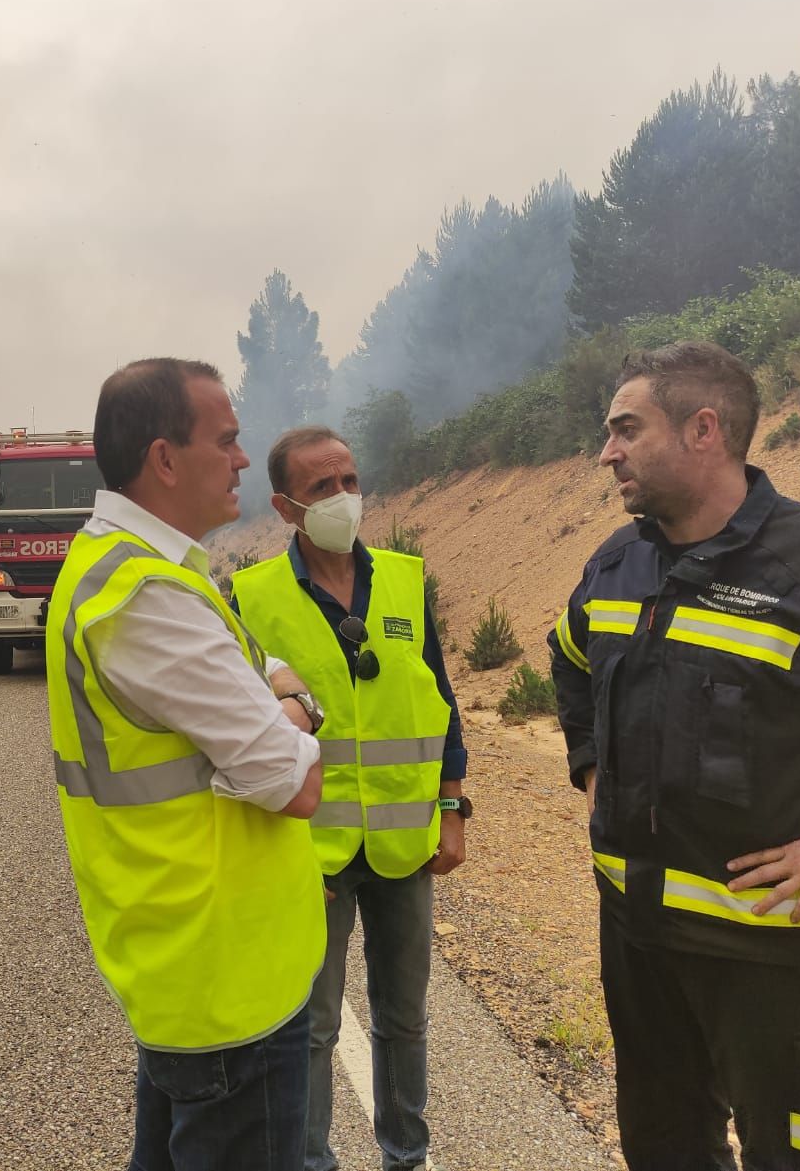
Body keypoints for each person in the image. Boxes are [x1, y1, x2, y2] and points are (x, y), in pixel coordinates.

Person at [547, 340, 800, 1170]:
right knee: (664, 1151)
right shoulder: (619, 563)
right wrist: (591, 761)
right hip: (639, 948)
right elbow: (570, 653)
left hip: (774, 965)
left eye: (626, 429)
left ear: (704, 429)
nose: (606, 453)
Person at [45, 358, 328, 1171]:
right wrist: (301, 706)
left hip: (193, 970)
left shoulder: (135, 566)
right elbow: (294, 781)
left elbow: (251, 671)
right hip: (226, 988)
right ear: (165, 459)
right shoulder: (148, 597)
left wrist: (272, 690)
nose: (244, 458)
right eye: (228, 440)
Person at [230, 426, 468, 1171]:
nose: (343, 498)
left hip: (405, 841)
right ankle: (311, 1161)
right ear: (285, 505)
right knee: (313, 1027)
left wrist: (454, 807)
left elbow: (441, 699)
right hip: (312, 852)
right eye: (322, 488)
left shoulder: (403, 578)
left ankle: (407, 1154)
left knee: (405, 1018)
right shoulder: (250, 596)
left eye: (350, 480)